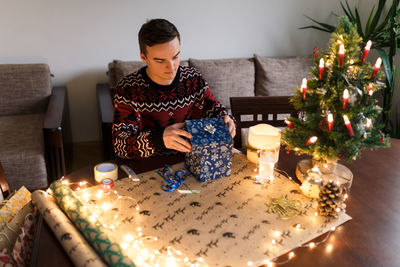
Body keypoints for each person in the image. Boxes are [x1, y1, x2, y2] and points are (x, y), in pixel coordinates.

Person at [112, 18, 235, 159]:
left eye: (175, 57)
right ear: (143, 57)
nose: (171, 67)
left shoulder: (194, 79)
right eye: (160, 60)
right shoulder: (127, 89)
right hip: (148, 168)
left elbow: (215, 108)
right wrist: (158, 139)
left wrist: (227, 119)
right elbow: (119, 145)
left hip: (194, 162)